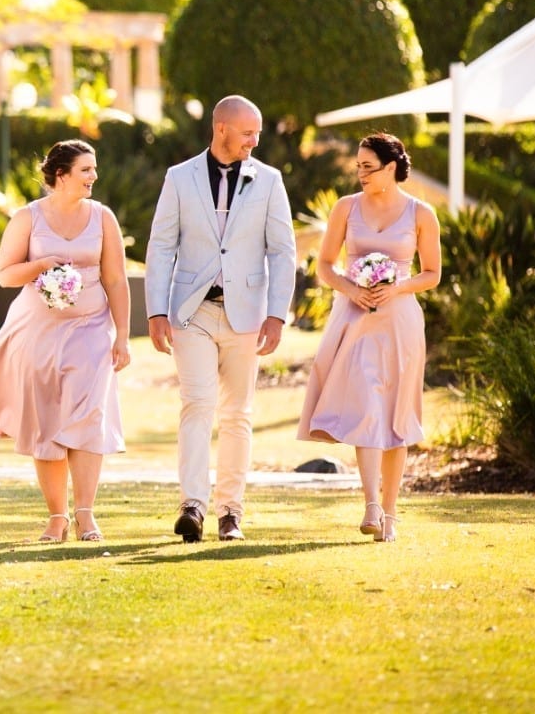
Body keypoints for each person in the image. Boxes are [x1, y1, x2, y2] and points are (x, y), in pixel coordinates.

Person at [146, 96, 296, 543]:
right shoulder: (179, 177)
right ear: (222, 128)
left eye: (258, 133)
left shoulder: (269, 181)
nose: (255, 141)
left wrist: (276, 315)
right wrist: (156, 310)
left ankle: (231, 511)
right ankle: (192, 504)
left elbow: (283, 253)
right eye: (248, 133)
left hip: (247, 316)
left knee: (237, 415)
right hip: (191, 312)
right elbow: (161, 246)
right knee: (196, 404)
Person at [0, 140, 130, 542]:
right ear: (61, 175)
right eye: (86, 170)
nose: (94, 177)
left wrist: (122, 335)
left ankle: (86, 514)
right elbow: (4, 275)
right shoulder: (28, 218)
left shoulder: (103, 218)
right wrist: (40, 266)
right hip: (37, 331)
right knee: (45, 422)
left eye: (94, 169)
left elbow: (115, 279)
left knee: (89, 413)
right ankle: (56, 516)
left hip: (92, 328)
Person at [297, 133, 441, 542]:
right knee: (365, 403)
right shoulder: (346, 208)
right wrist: (350, 287)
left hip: (400, 322)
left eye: (367, 166)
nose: (359, 173)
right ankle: (371, 505)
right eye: (357, 166)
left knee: (396, 415)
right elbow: (325, 265)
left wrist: (397, 287)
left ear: (390, 168)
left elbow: (432, 273)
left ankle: (391, 514)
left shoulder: (421, 214)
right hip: (355, 318)